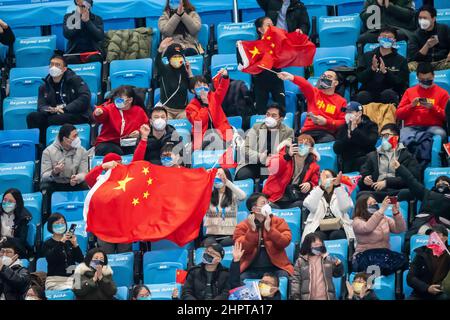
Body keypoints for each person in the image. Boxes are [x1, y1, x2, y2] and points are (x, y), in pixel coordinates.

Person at [26, 55, 91, 144]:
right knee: (33, 117)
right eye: (52, 64)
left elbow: (85, 98)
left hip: (75, 114)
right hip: (54, 114)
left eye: (57, 65)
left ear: (64, 69)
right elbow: (41, 106)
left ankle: (51, 145)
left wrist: (65, 109)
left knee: (52, 120)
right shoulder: (44, 86)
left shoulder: (75, 80)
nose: (54, 67)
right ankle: (40, 146)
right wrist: (49, 110)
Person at [233, 193, 293, 281]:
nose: (267, 205)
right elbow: (241, 248)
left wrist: (270, 229)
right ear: (254, 209)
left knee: (283, 277)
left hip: (275, 267)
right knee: (242, 279)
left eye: (267, 202)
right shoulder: (242, 226)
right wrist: (252, 231)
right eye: (263, 203)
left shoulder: (278, 221)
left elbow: (285, 242)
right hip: (251, 268)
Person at [393, 159, 450, 251]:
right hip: (423, 225)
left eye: (444, 182)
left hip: (445, 226)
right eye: (438, 183)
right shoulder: (426, 193)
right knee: (410, 242)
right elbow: (412, 181)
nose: (440, 183)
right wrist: (400, 168)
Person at [278, 70, 346, 143]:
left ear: (336, 83)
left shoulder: (341, 101)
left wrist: (326, 122)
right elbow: (305, 85)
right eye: (323, 76)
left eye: (329, 77)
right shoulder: (314, 93)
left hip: (327, 133)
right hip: (308, 132)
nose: (325, 78)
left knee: (326, 141)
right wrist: (292, 77)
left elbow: (343, 122)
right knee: (298, 145)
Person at [358, 123, 420, 203]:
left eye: (386, 135)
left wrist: (387, 182)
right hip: (377, 193)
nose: (383, 139)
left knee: (408, 193)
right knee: (362, 195)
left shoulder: (407, 156)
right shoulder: (372, 156)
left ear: (396, 137)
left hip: (397, 192)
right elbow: (363, 175)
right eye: (382, 136)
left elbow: (412, 179)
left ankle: (394, 205)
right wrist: (365, 179)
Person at [396, 62, 449, 153]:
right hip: (412, 127)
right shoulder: (409, 92)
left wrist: (433, 108)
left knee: (441, 134)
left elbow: (447, 116)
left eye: (428, 79)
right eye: (422, 79)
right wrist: (411, 106)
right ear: (417, 78)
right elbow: (399, 114)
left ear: (433, 76)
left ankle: (440, 161)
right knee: (402, 136)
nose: (425, 82)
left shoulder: (443, 93)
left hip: (434, 127)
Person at [235, 103, 294, 181]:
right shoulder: (256, 127)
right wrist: (261, 157)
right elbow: (245, 149)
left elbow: (287, 155)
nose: (269, 118)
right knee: (242, 175)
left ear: (281, 119)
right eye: (268, 114)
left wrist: (272, 160)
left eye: (274, 116)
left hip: (273, 165)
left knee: (269, 174)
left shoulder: (288, 132)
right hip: (253, 163)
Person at [352, 195, 408, 275]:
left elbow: (401, 229)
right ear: (363, 207)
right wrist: (381, 210)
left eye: (375, 202)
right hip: (365, 255)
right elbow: (367, 228)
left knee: (404, 260)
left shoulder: (384, 218)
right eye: (371, 203)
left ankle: (395, 285)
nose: (374, 204)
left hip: (384, 254)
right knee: (379, 261)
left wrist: (396, 213)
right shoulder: (357, 221)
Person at [262, 134, 320, 209]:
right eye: (300, 144)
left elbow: (315, 183)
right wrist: (287, 156)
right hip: (276, 198)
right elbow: (274, 170)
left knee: (304, 205)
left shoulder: (314, 166)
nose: (302, 146)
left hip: (294, 198)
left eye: (305, 144)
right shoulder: (282, 155)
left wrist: (310, 184)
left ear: (311, 149)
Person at [356, 27, 409, 105]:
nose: (386, 39)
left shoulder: (401, 60)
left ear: (394, 41)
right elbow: (360, 78)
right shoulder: (367, 56)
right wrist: (372, 69)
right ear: (378, 39)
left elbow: (401, 83)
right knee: (362, 96)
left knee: (388, 94)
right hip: (369, 91)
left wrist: (386, 72)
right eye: (384, 36)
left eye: (389, 37)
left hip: (390, 92)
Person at [93, 85, 149, 156]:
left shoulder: (139, 111)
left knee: (142, 150)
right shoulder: (111, 107)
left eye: (121, 99)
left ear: (130, 100)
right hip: (109, 142)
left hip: (130, 143)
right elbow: (102, 114)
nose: (117, 101)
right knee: (113, 151)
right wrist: (98, 113)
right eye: (117, 98)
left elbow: (146, 125)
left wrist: (139, 132)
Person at [303, 170, 355, 241]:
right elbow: (310, 206)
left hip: (339, 227)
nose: (325, 180)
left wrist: (338, 187)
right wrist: (321, 188)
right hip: (318, 227)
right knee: (318, 238)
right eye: (323, 178)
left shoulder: (340, 190)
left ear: (334, 179)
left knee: (337, 235)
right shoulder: (316, 191)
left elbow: (345, 208)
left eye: (327, 177)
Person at [186, 70, 233, 150]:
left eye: (205, 85)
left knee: (215, 141)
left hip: (222, 135)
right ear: (193, 90)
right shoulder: (190, 107)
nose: (203, 88)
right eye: (199, 86)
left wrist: (225, 77)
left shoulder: (214, 97)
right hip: (203, 139)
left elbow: (222, 89)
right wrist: (205, 105)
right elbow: (198, 123)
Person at [40, 124, 89, 200]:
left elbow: (84, 173)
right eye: (74, 136)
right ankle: (48, 211)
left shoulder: (82, 151)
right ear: (65, 139)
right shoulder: (48, 152)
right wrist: (54, 172)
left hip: (73, 183)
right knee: (45, 187)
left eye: (77, 135)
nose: (78, 139)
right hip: (56, 183)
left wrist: (77, 178)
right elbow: (44, 176)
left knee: (86, 185)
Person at [291, 232, 344, 300]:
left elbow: (338, 274)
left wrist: (339, 265)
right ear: (307, 245)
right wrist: (296, 297)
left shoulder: (328, 259)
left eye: (320, 243)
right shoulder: (300, 262)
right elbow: (296, 281)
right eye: (315, 243)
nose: (318, 245)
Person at [204, 168, 247, 247]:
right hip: (211, 235)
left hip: (229, 235)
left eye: (220, 175)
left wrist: (227, 182)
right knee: (210, 245)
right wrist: (205, 177)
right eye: (216, 175)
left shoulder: (233, 195)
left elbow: (243, 196)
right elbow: (196, 192)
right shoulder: (208, 194)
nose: (217, 177)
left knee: (226, 244)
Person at [252, 17, 285, 115]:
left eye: (272, 25)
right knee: (261, 111)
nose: (272, 27)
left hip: (277, 80)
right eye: (268, 25)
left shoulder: (279, 43)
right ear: (260, 29)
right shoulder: (254, 47)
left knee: (281, 108)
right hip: (260, 81)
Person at [333, 101, 379, 173]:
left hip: (365, 160)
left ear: (359, 113)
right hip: (348, 162)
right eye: (346, 112)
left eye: (350, 112)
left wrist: (355, 130)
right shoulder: (343, 128)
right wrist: (347, 137)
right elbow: (336, 149)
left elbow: (371, 143)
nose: (348, 115)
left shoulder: (370, 125)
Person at [407, 225, 450, 300]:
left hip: (441, 293)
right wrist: (427, 288)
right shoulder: (421, 253)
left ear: (445, 238)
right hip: (420, 293)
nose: (433, 236)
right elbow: (410, 278)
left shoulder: (448, 254)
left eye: (436, 234)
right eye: (431, 234)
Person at [42, 213, 84, 290]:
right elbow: (52, 258)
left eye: (63, 223)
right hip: (55, 279)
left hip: (72, 278)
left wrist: (75, 245)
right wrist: (61, 242)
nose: (61, 225)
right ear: (51, 226)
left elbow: (80, 260)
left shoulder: (69, 242)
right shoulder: (47, 243)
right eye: (57, 223)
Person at [156, 39, 194, 119]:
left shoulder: (185, 70)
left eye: (179, 56)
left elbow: (192, 89)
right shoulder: (164, 69)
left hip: (182, 110)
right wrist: (160, 50)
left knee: (190, 123)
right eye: (175, 56)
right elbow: (157, 62)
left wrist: (190, 73)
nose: (177, 59)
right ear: (169, 58)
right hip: (167, 110)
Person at [407, 5, 450, 72]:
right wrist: (427, 46)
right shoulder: (415, 35)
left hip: (442, 62)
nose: (422, 21)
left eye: (425, 18)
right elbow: (413, 58)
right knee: (410, 66)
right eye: (420, 18)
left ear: (433, 19)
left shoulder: (444, 29)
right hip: (423, 64)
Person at [0, 189, 31, 258]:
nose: (6, 203)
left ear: (17, 204)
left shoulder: (23, 218)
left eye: (10, 201)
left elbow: (21, 241)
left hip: (15, 249)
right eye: (4, 200)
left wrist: (6, 239)